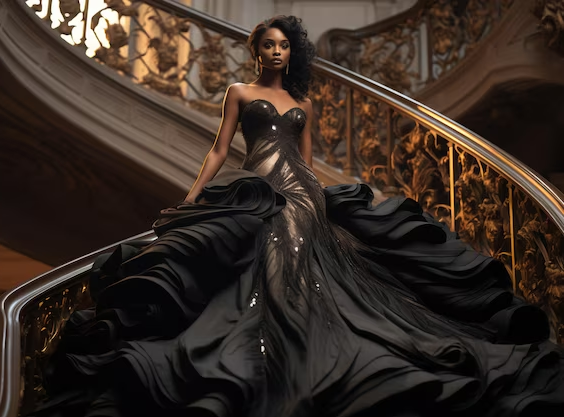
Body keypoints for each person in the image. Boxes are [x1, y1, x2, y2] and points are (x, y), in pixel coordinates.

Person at [33, 16, 564, 417]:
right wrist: (194, 194)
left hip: (303, 188)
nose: (277, 52)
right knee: (273, 263)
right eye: (269, 44)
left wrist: (320, 195)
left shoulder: (303, 104)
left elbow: (308, 161)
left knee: (306, 261)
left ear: (290, 52)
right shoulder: (239, 93)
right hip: (260, 183)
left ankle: (307, 351)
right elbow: (221, 150)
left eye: (284, 46)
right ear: (256, 49)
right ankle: (282, 359)